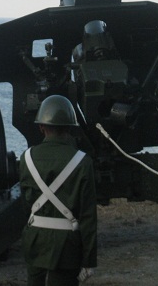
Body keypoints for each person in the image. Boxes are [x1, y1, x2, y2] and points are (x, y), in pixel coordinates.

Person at [19, 95, 97, 286]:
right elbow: (88, 218)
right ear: (70, 128)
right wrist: (89, 260)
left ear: (41, 127)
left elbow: (25, 204)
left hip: (35, 238)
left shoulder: (26, 158)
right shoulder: (82, 162)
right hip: (67, 244)